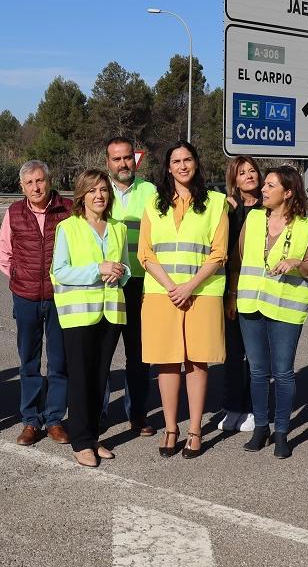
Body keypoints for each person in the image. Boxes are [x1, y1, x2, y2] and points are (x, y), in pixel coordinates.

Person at [140, 141, 227, 459]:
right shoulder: (153, 203)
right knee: (166, 360)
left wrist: (189, 286)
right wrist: (171, 287)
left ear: (196, 163)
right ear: (168, 167)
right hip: (161, 293)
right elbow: (145, 253)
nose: (182, 165)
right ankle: (170, 428)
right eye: (175, 160)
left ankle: (194, 431)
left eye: (187, 159)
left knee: (195, 360)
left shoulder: (216, 203)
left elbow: (219, 253)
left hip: (201, 292)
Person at [229, 165, 308, 459]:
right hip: (250, 305)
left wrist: (297, 262)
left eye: (270, 186)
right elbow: (237, 261)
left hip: (285, 308)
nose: (263, 190)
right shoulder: (254, 219)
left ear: (289, 192)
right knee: (257, 371)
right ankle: (261, 427)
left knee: (282, 373)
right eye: (264, 185)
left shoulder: (306, 227)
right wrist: (232, 295)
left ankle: (281, 431)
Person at [51, 170, 129, 467]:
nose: (99, 195)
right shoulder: (68, 228)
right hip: (79, 314)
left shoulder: (117, 228)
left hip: (111, 311)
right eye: (93, 190)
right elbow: (60, 272)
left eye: (104, 190)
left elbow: (127, 268)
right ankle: (80, 441)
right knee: (81, 378)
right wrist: (98, 268)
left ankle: (94, 435)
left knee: (100, 377)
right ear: (81, 196)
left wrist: (120, 272)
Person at [0, 160, 73, 445]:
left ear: (49, 181)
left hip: (59, 297)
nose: (36, 187)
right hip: (25, 297)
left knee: (58, 361)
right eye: (29, 183)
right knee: (28, 361)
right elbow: (4, 251)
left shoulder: (67, 210)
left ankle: (54, 419)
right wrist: (18, 276)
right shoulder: (15, 212)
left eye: (40, 180)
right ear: (22, 187)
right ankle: (30, 421)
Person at [104, 137, 158, 436]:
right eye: (117, 159)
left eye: (127, 158)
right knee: (102, 352)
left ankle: (137, 414)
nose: (123, 164)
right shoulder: (99, 190)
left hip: (141, 283)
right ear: (107, 162)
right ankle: (98, 414)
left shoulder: (150, 191)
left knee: (138, 354)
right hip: (108, 284)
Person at [218, 155, 260, 433]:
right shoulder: (228, 209)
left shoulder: (269, 208)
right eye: (242, 172)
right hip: (230, 287)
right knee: (233, 353)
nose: (249, 175)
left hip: (259, 289)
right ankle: (233, 407)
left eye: (252, 170)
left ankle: (255, 408)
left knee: (256, 356)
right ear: (233, 179)